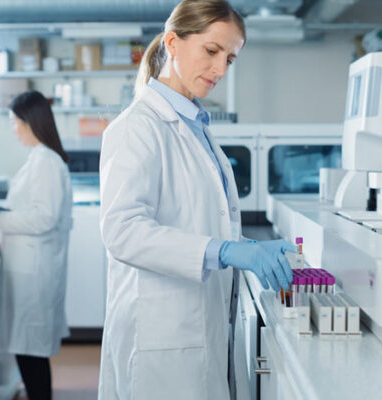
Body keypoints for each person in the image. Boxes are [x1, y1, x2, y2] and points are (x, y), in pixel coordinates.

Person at [98, 1, 294, 398]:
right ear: (173, 42)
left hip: (199, 322)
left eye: (230, 59)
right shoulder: (137, 128)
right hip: (160, 333)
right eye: (211, 51)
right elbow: (122, 232)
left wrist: (243, 246)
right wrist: (223, 251)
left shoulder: (196, 126)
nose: (220, 70)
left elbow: (197, 219)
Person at [0, 90, 73, 400]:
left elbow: (43, 218)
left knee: (30, 351)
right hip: (29, 266)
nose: (13, 130)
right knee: (27, 349)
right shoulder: (40, 159)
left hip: (34, 270)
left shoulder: (46, 162)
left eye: (15, 122)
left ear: (29, 122)